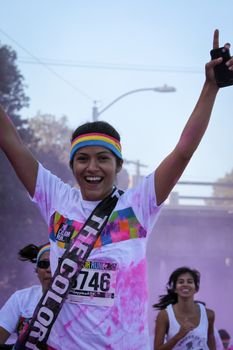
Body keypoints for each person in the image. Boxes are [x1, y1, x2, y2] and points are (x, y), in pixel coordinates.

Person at [0, 29, 232, 349]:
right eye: (82, 159)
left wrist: (211, 88)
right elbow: (10, 140)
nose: (92, 167)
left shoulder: (139, 204)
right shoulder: (55, 197)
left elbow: (183, 150)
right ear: (72, 165)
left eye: (103, 159)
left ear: (118, 166)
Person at [0, 243, 51, 346]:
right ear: (37, 270)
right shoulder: (21, 298)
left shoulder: (83, 304)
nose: (49, 269)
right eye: (43, 264)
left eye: (56, 264)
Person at [153, 266, 216, 350]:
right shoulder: (164, 315)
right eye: (181, 282)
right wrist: (179, 335)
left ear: (196, 289)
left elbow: (211, 340)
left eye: (190, 282)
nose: (185, 284)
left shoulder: (209, 314)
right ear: (175, 289)